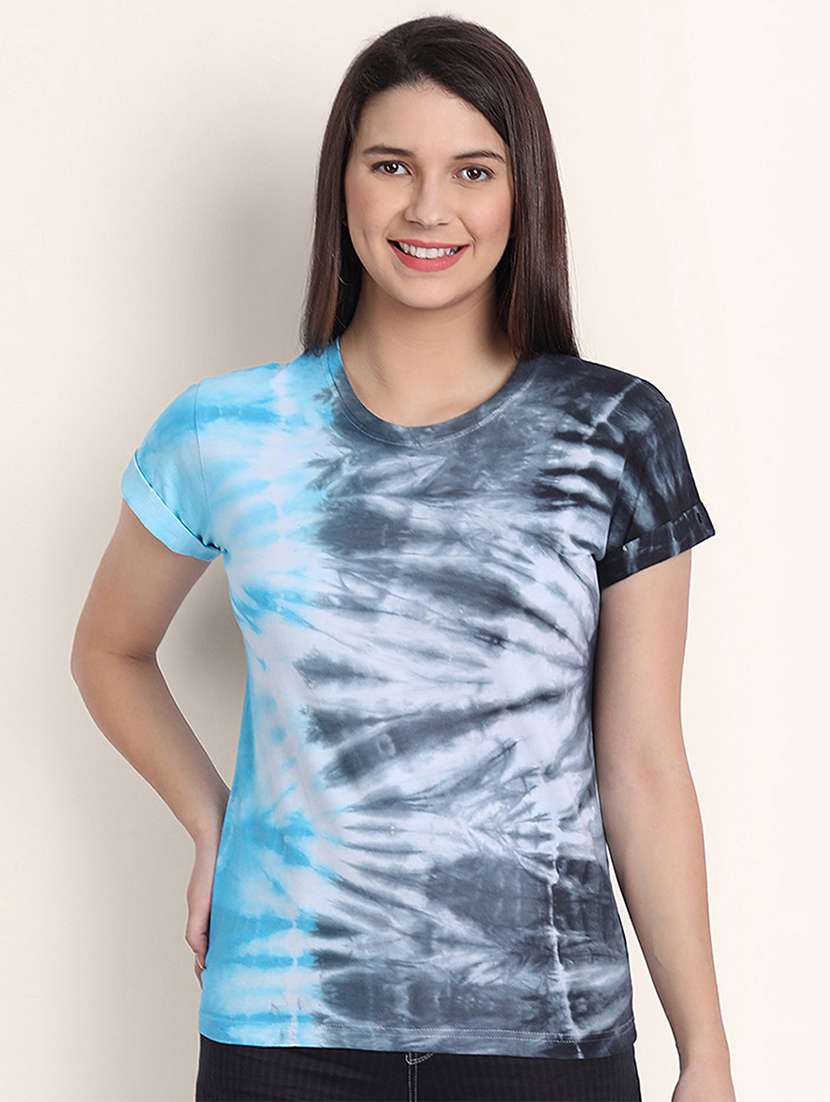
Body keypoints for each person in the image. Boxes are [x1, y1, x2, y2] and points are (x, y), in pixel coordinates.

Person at [70, 14, 736, 1102]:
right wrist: (211, 818)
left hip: (546, 1037)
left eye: (472, 170)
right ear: (343, 184)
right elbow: (108, 650)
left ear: (521, 194)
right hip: (285, 1028)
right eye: (392, 166)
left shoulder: (612, 431)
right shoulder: (226, 430)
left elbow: (644, 764)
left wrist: (703, 1051)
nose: (429, 208)